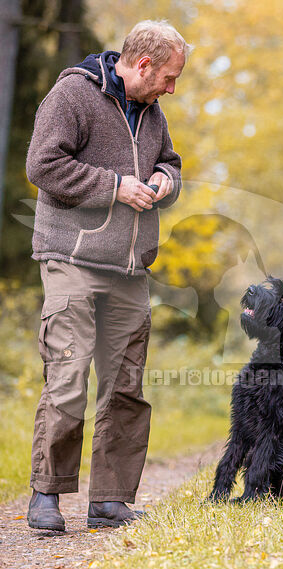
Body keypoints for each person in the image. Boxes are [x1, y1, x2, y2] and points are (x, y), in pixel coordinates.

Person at [25, 20, 191, 531]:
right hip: (72, 261)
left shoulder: (152, 112)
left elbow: (170, 161)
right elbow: (42, 165)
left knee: (125, 387)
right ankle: (47, 496)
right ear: (143, 65)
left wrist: (167, 178)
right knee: (69, 377)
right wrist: (115, 186)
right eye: (168, 76)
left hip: (129, 270)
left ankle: (109, 500)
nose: (171, 87)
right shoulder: (72, 94)